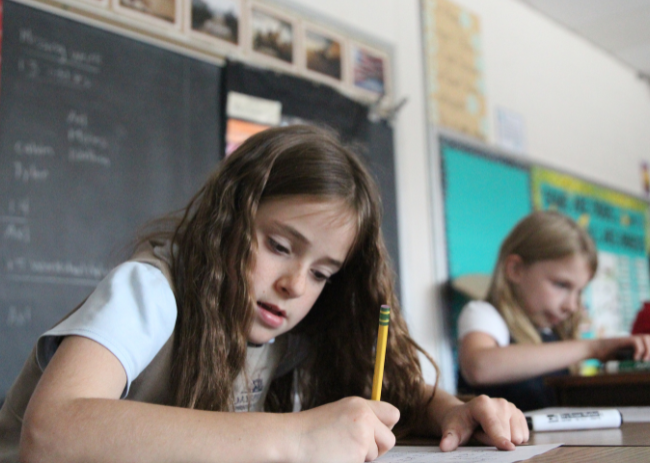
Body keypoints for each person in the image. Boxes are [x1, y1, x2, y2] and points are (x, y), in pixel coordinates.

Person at [0, 125, 527, 463]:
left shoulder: (285, 329)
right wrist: (294, 437)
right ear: (227, 218)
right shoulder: (152, 289)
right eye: (278, 245)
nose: (295, 285)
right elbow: (51, 433)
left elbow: (386, 391)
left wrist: (448, 411)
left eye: (322, 273)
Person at [457, 210, 650, 411]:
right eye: (561, 285)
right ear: (515, 269)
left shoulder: (554, 332)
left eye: (579, 291)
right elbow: (479, 367)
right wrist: (593, 348)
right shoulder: (484, 315)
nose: (571, 306)